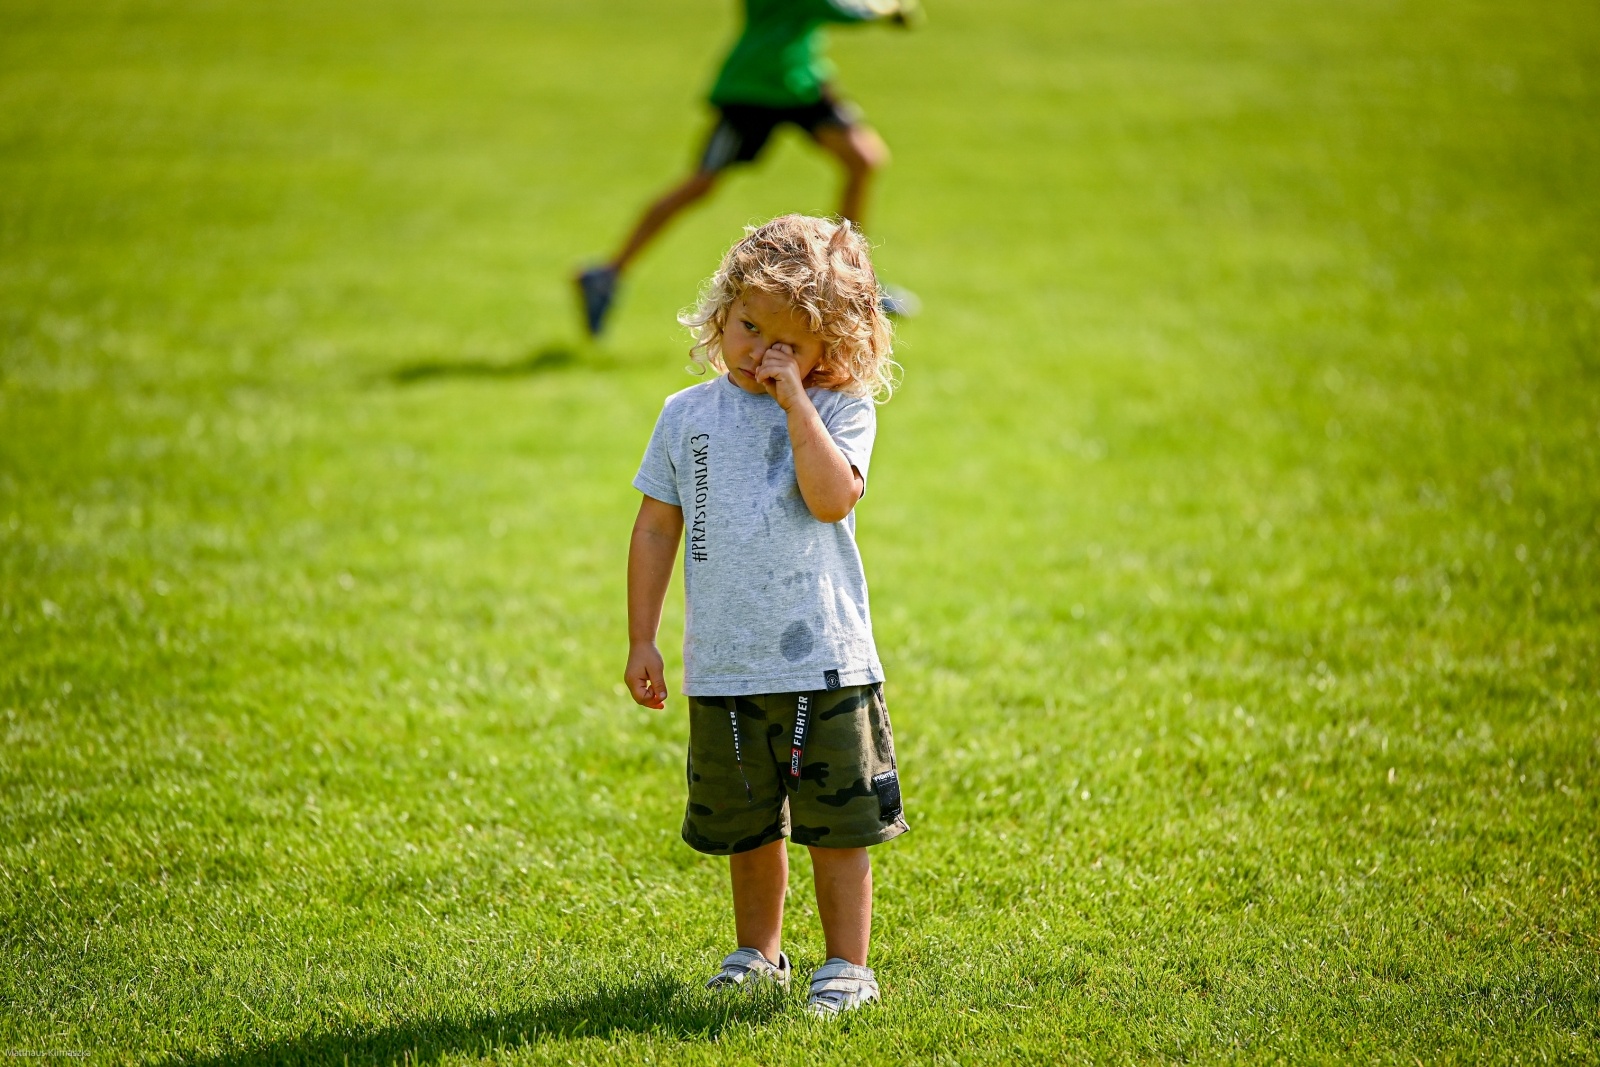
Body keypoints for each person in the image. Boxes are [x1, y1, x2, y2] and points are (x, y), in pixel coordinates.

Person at [624, 215, 907, 1015]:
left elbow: (829, 498)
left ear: (832, 351)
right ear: (722, 309)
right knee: (745, 827)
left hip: (825, 659)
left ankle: (847, 965)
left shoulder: (842, 410)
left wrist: (795, 403)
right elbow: (654, 527)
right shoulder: (686, 414)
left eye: (788, 344)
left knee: (838, 827)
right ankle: (760, 951)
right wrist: (642, 636)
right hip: (724, 661)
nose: (760, 353)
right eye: (750, 328)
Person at [576, 0, 923, 337]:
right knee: (701, 183)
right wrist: (888, 8)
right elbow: (837, 8)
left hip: (799, 81)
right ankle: (608, 273)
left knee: (864, 159)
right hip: (753, 87)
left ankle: (848, 276)